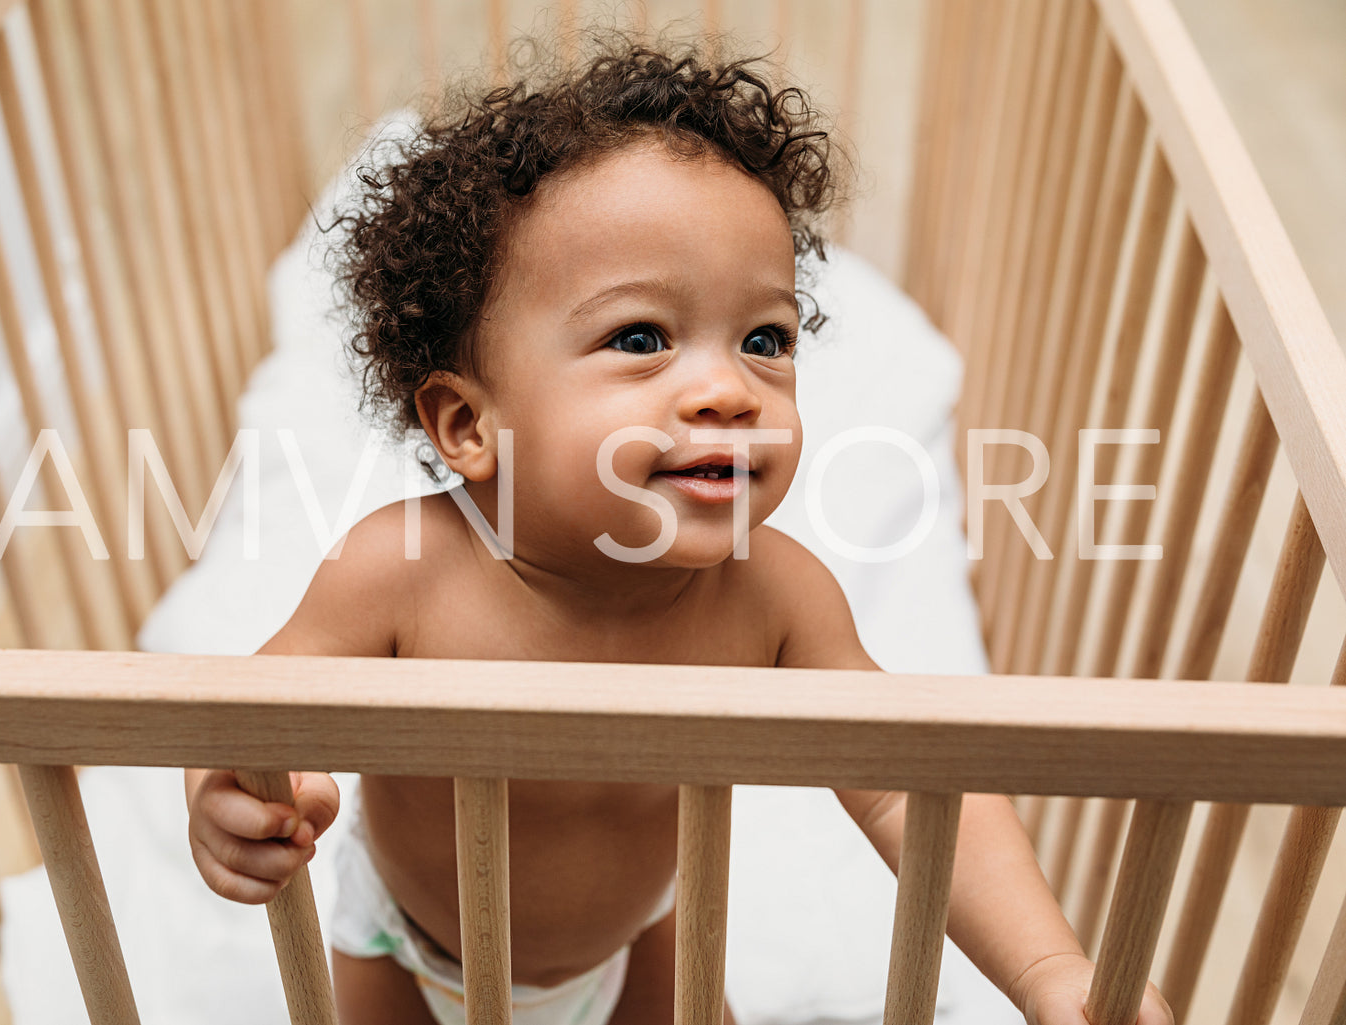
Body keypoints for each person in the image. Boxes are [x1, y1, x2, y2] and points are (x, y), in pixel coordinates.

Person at [185, 31, 1172, 1025]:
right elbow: (253, 717)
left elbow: (910, 786)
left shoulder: (772, 597)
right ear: (467, 424)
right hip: (407, 949)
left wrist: (1050, 969)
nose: (726, 389)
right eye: (641, 337)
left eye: (764, 340)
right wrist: (242, 786)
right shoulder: (398, 573)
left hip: (632, 945)